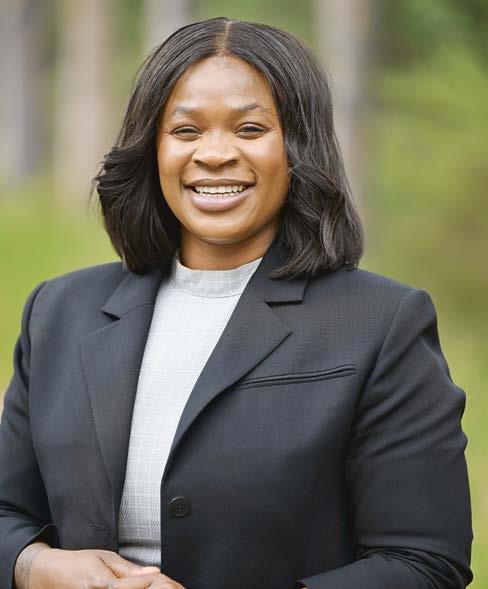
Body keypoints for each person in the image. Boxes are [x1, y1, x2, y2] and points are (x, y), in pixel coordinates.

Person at [0, 16, 472, 589]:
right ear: (153, 148)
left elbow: (424, 563)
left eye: (250, 129)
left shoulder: (381, 323)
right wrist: (38, 566)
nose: (215, 154)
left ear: (296, 147)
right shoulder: (59, 311)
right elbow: (7, 513)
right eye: (186, 130)